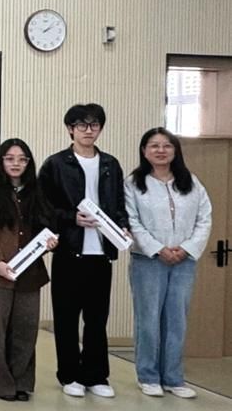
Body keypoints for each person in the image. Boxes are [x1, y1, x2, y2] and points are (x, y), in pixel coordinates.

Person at [38, 103, 127, 398]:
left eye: (94, 125)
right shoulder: (55, 164)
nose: (88, 130)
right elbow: (43, 208)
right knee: (66, 318)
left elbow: (119, 204)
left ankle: (96, 375)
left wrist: (123, 227)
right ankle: (69, 375)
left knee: (97, 319)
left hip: (101, 253)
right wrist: (70, 219)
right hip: (69, 251)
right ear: (70, 129)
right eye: (81, 125)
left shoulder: (110, 164)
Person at [125, 127, 212, 399]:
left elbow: (204, 219)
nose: (161, 150)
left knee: (177, 320)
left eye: (167, 145)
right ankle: (148, 376)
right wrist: (158, 249)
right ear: (144, 151)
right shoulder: (134, 183)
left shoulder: (191, 182)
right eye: (154, 145)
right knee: (148, 320)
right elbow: (132, 222)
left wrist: (186, 249)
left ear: (175, 150)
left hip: (184, 262)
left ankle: (174, 378)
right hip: (148, 260)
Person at [0, 139, 57, 402]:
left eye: (22, 159)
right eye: (10, 158)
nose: (16, 164)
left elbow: (48, 225)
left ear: (29, 163)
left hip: (30, 272)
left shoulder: (38, 191)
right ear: (1, 161)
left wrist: (50, 242)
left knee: (26, 329)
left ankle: (21, 382)